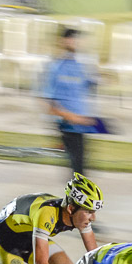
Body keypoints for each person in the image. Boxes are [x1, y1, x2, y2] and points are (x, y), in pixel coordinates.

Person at [43, 28, 99, 178]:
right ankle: (75, 199)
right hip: (67, 123)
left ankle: (75, 198)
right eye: (71, 38)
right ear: (63, 41)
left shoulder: (82, 66)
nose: (75, 42)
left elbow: (89, 86)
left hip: (82, 122)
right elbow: (50, 105)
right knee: (77, 169)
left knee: (80, 168)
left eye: (77, 39)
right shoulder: (56, 67)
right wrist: (72, 118)